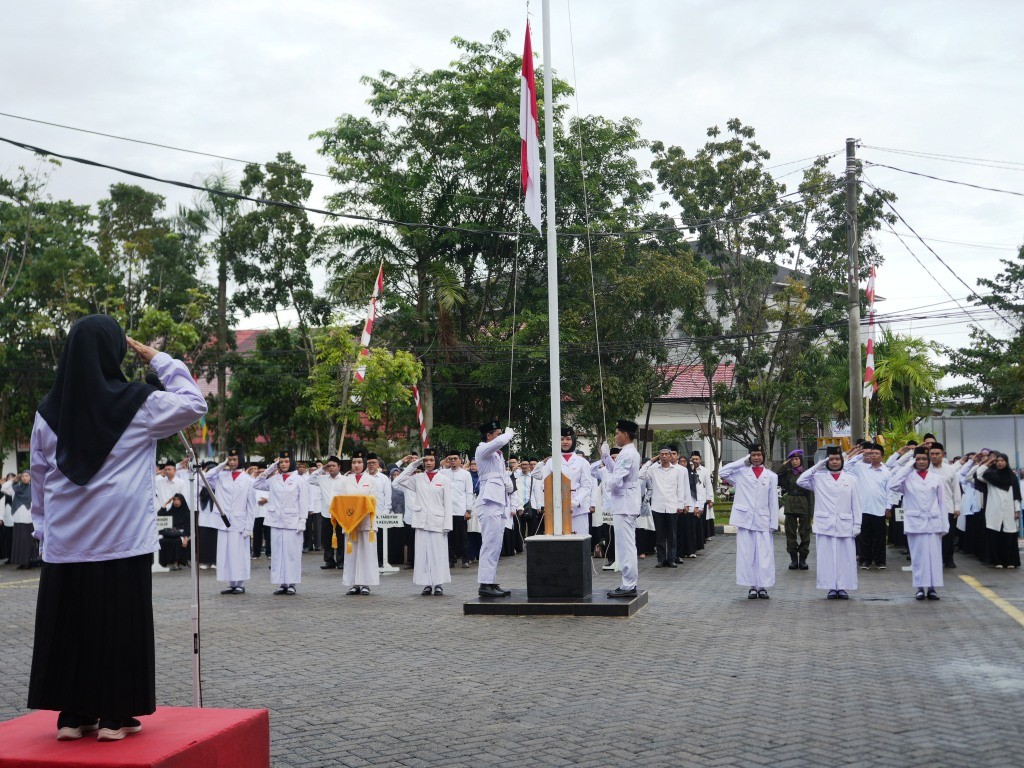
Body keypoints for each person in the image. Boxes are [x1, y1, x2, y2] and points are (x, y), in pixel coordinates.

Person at [28, 315, 207, 741]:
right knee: (119, 626)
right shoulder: (139, 404)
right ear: (114, 351)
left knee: (72, 627)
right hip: (122, 540)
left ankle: (73, 715)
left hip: (67, 544)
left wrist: (43, 532)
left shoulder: (47, 414)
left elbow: (39, 482)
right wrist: (156, 357)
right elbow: (194, 403)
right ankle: (114, 716)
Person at [797, 447, 862, 599]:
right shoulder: (818, 478)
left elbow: (856, 504)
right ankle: (831, 587)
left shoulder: (851, 479)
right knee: (826, 558)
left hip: (845, 524)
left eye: (837, 459)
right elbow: (801, 480)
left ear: (842, 461)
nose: (834, 462)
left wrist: (857, 524)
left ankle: (843, 587)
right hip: (824, 524)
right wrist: (818, 465)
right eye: (831, 459)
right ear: (826, 461)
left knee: (845, 558)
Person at [720, 445, 779, 599]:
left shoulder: (771, 476)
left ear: (763, 456)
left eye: (759, 455)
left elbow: (773, 501)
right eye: (753, 455)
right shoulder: (741, 474)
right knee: (747, 555)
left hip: (763, 520)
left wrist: (773, 523)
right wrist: (743, 461)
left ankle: (763, 586)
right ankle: (752, 586)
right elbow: (723, 472)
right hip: (745, 520)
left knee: (764, 556)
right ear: (749, 456)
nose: (757, 457)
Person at [888, 446, 945, 600]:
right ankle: (920, 587)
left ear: (929, 461)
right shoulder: (908, 478)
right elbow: (893, 484)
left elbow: (942, 504)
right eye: (918, 459)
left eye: (924, 459)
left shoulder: (937, 479)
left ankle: (932, 588)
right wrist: (909, 465)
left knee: (934, 557)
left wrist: (944, 526)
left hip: (933, 523)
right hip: (915, 523)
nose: (921, 462)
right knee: (918, 557)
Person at [394, 448, 452, 595]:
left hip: (438, 522)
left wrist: (447, 524)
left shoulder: (444, 479)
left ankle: (438, 584)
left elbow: (448, 504)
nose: (428, 463)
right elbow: (398, 480)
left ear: (436, 461)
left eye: (431, 460)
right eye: (425, 460)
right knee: (423, 554)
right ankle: (426, 583)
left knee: (438, 554)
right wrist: (414, 464)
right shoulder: (418, 478)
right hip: (421, 521)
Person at [253, 450, 308, 596]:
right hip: (276, 521)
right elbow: (257, 484)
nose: (283, 464)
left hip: (292, 522)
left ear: (291, 463)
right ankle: (281, 583)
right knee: (278, 554)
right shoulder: (274, 479)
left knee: (291, 554)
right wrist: (272, 467)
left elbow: (303, 501)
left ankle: (291, 583)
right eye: (281, 462)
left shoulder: (299, 480)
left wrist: (303, 519)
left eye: (286, 462)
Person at [599, 420, 641, 598]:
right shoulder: (628, 452)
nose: (615, 437)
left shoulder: (627, 453)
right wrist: (606, 458)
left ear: (625, 434)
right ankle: (628, 582)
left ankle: (629, 584)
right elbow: (617, 470)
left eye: (617, 433)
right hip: (625, 503)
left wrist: (606, 485)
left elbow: (618, 477)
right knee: (625, 545)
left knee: (626, 546)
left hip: (624, 503)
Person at [474, 419, 516, 598]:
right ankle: (484, 584)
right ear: (489, 435)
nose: (500, 437)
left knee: (496, 544)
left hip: (499, 502)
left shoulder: (498, 455)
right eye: (497, 434)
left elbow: (502, 475)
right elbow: (499, 442)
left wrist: (509, 485)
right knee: (490, 543)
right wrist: (507, 435)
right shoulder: (482, 448)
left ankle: (489, 581)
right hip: (488, 502)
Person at [206, 449, 256, 594]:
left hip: (239, 522)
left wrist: (249, 527)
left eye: (234, 459)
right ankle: (230, 582)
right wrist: (221, 465)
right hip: (223, 522)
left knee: (238, 554)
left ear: (240, 460)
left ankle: (239, 583)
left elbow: (251, 506)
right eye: (230, 459)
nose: (232, 462)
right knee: (225, 553)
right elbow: (204, 479)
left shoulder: (248, 480)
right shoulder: (221, 476)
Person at [530, 427, 595, 536]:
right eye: (561, 439)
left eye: (568, 439)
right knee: (560, 543)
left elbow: (587, 485)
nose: (565, 442)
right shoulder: (551, 462)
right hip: (557, 508)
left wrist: (574, 501)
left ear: (573, 440)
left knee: (579, 541)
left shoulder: (582, 462)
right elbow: (544, 485)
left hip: (578, 510)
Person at [639, 446, 689, 568]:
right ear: (659, 456)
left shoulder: (677, 470)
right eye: (663, 454)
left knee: (672, 535)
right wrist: (651, 461)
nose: (665, 456)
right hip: (658, 506)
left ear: (671, 456)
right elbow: (640, 475)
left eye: (668, 454)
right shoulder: (654, 469)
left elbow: (680, 488)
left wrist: (680, 504)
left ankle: (671, 559)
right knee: (660, 535)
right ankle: (661, 559)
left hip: (672, 506)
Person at [970, 453, 1021, 569]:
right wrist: (987, 463)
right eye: (998, 461)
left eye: (1002, 460)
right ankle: (997, 561)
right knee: (995, 535)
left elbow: (1016, 495)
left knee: (1010, 535)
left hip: (1009, 510)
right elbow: (978, 475)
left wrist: (1017, 509)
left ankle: (1011, 561)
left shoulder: (1012, 478)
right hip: (994, 509)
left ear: (1007, 462)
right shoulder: (990, 477)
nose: (1000, 463)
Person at [845, 443, 892, 569]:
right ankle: (865, 560)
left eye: (877, 453)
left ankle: (880, 561)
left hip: (879, 508)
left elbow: (889, 491)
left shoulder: (886, 471)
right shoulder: (861, 467)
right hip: (863, 508)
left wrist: (888, 507)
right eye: (872, 453)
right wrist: (859, 456)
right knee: (864, 536)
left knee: (879, 537)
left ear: (882, 456)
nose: (874, 455)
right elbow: (845, 467)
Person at [341, 451, 380, 596]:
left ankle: (365, 584)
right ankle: (354, 583)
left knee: (366, 554)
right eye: (353, 462)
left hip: (366, 523)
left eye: (359, 462)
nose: (356, 465)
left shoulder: (371, 481)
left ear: (364, 464)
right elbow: (342, 501)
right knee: (352, 554)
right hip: (351, 523)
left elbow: (373, 501)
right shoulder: (346, 480)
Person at [309, 456, 348, 571]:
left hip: (340, 514)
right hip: (326, 513)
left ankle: (341, 561)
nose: (331, 468)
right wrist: (322, 468)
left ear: (339, 467)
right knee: (327, 538)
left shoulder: (345, 480)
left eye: (333, 466)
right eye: (329, 466)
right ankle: (329, 560)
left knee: (341, 538)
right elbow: (310, 479)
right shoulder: (322, 479)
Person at [776, 449, 811, 571]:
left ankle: (802, 560)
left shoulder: (806, 474)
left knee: (805, 532)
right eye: (792, 459)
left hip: (803, 503)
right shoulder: (788, 474)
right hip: (790, 503)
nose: (794, 462)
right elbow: (777, 475)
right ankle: (793, 560)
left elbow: (811, 493)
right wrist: (785, 464)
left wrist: (811, 512)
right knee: (790, 532)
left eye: (796, 459)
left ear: (800, 460)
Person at [442, 451, 474, 567]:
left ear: (460, 460)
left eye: (455, 458)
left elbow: (469, 492)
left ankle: (465, 559)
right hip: (447, 510)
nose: (453, 461)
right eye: (450, 459)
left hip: (461, 510)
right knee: (449, 537)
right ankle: (451, 559)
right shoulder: (443, 473)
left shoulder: (466, 474)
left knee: (463, 537)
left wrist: (468, 510)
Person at [1, 471, 37, 569]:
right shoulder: (15, 489)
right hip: (18, 521)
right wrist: (13, 480)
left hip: (29, 521)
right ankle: (21, 563)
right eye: (23, 476)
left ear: (30, 477)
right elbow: (4, 488)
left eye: (27, 476)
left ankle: (28, 563)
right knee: (19, 543)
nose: (25, 478)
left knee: (28, 543)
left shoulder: (33, 489)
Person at [156, 493, 191, 571]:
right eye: (174, 500)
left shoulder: (187, 513)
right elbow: (160, 515)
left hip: (181, 534)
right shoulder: (171, 511)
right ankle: (165, 562)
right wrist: (166, 503)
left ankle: (176, 562)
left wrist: (186, 538)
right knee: (162, 541)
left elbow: (188, 527)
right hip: (169, 533)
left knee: (176, 541)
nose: (176, 501)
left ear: (182, 501)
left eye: (178, 500)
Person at [689, 451, 716, 538]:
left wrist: (710, 499)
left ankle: (703, 537)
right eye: (693, 459)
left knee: (701, 520)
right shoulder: (687, 470)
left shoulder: (705, 471)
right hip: (691, 498)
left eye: (697, 459)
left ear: (700, 460)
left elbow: (708, 485)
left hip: (702, 498)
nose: (695, 461)